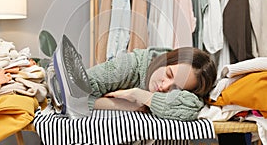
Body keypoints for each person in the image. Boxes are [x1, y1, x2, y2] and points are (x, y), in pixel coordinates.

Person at [85, 46, 217, 121]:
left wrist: (139, 95)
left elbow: (192, 108)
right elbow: (71, 95)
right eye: (168, 74)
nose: (164, 86)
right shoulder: (128, 65)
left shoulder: (188, 91)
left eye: (175, 88)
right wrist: (123, 105)